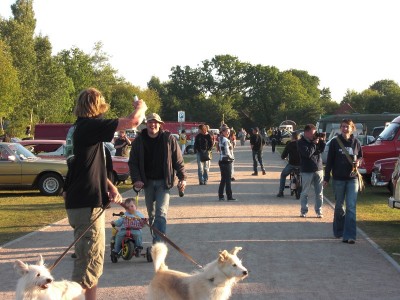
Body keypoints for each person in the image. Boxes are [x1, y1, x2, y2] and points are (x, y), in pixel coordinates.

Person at [63, 87, 147, 300]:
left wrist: (109, 184)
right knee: (88, 263)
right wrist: (141, 107)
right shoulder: (89, 126)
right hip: (86, 204)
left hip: (81, 201)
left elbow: (86, 165)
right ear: (96, 106)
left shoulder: (77, 129)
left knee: (91, 260)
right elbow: (133, 122)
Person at [128, 113, 187, 244]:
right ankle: (157, 238)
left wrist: (182, 178)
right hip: (147, 182)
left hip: (163, 182)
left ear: (160, 124)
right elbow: (133, 162)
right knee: (152, 215)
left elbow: (178, 160)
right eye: (150, 122)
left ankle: (158, 243)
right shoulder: (139, 140)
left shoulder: (168, 138)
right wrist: (136, 179)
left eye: (155, 122)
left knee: (161, 212)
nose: (152, 124)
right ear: (146, 124)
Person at [323, 119, 362, 244]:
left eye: (347, 127)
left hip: (352, 179)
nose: (345, 129)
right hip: (338, 179)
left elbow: (360, 156)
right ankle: (339, 230)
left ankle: (350, 235)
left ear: (352, 128)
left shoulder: (356, 142)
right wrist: (326, 178)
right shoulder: (335, 142)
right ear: (340, 128)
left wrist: (359, 162)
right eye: (343, 127)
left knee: (351, 206)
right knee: (339, 206)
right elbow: (329, 161)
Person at [297, 124, 326, 218]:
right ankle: (304, 211)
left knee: (319, 193)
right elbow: (307, 154)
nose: (314, 135)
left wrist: (322, 141)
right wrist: (314, 143)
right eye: (312, 134)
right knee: (305, 192)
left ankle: (319, 211)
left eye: (315, 133)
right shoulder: (301, 142)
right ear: (306, 133)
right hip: (307, 170)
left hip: (318, 168)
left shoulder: (315, 141)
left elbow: (321, 150)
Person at [277, 132, 301, 197]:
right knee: (304, 176)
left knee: (283, 175)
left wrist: (283, 157)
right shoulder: (302, 144)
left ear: (292, 137)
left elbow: (283, 155)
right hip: (301, 165)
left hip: (292, 164)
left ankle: (281, 192)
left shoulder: (289, 144)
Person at [218, 124, 236, 201]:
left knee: (223, 179)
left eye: (229, 132)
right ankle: (229, 196)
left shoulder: (221, 139)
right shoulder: (225, 140)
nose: (228, 133)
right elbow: (227, 152)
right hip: (226, 161)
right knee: (228, 180)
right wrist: (232, 158)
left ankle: (221, 196)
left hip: (222, 160)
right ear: (222, 132)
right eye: (227, 132)